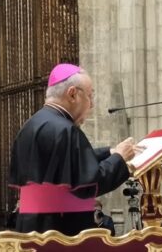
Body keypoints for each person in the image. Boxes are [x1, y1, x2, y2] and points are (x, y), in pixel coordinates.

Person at [9, 63, 142, 235]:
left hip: (32, 227)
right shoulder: (66, 130)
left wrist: (109, 152)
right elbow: (90, 182)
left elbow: (66, 166)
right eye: (89, 96)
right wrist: (119, 158)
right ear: (72, 94)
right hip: (61, 232)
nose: (92, 104)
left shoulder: (32, 125)